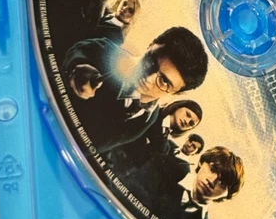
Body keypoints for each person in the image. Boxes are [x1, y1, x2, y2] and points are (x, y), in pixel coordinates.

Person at [62, 27, 208, 152]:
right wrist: (76, 67)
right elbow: (78, 53)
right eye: (151, 61)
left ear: (176, 93)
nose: (148, 78)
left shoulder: (149, 118)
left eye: (164, 81)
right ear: (151, 45)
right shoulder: (105, 51)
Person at [124, 146, 244, 219]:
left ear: (227, 195)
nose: (211, 181)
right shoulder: (162, 166)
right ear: (202, 163)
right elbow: (129, 193)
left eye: (222, 183)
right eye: (212, 169)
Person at [110, 100, 203, 168]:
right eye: (187, 114)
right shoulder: (151, 112)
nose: (187, 121)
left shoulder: (166, 142)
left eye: (191, 124)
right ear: (178, 106)